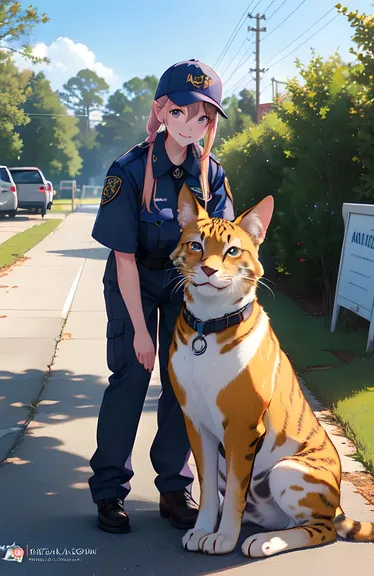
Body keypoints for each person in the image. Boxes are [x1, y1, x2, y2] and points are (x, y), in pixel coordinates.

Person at [88, 59, 235, 534]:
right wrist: (140, 333)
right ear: (163, 110)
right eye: (186, 111)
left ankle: (174, 488)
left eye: (206, 116)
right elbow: (124, 259)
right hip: (134, 281)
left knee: (182, 384)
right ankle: (110, 490)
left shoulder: (211, 176)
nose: (196, 123)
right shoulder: (128, 170)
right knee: (133, 373)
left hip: (183, 288)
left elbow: (226, 247)